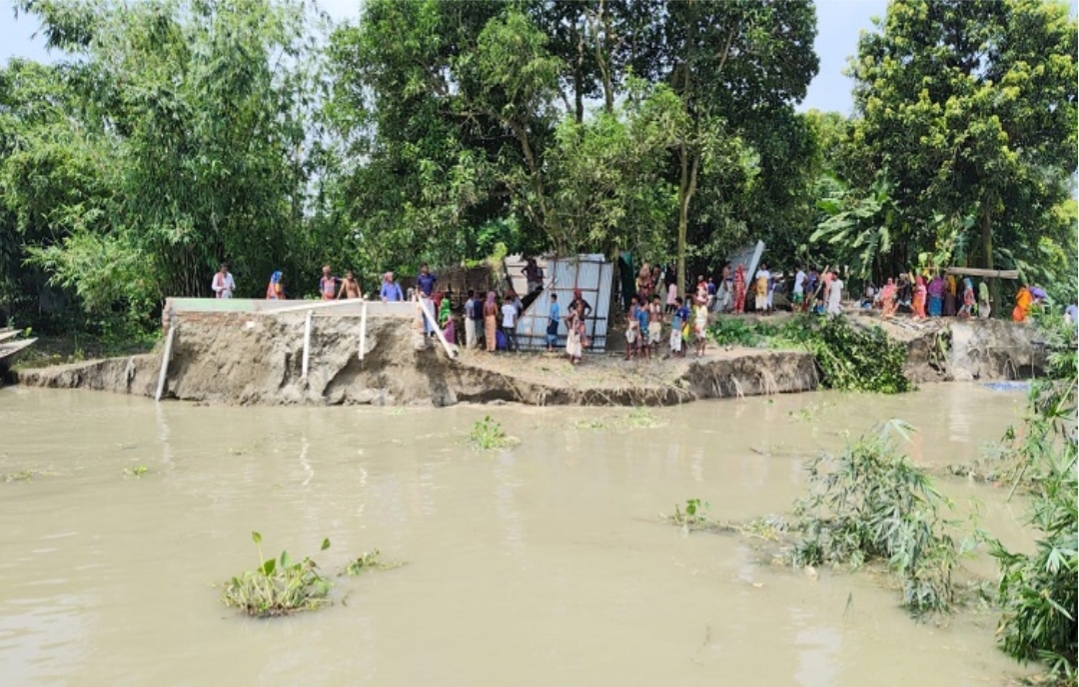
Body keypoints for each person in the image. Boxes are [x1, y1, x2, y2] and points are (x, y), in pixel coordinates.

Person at [636, 295, 651, 360]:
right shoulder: (639, 313)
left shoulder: (646, 312)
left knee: (646, 344)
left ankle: (647, 357)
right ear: (645, 305)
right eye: (647, 304)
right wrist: (638, 333)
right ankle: (640, 358)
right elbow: (637, 323)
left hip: (645, 329)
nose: (648, 305)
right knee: (640, 345)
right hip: (642, 329)